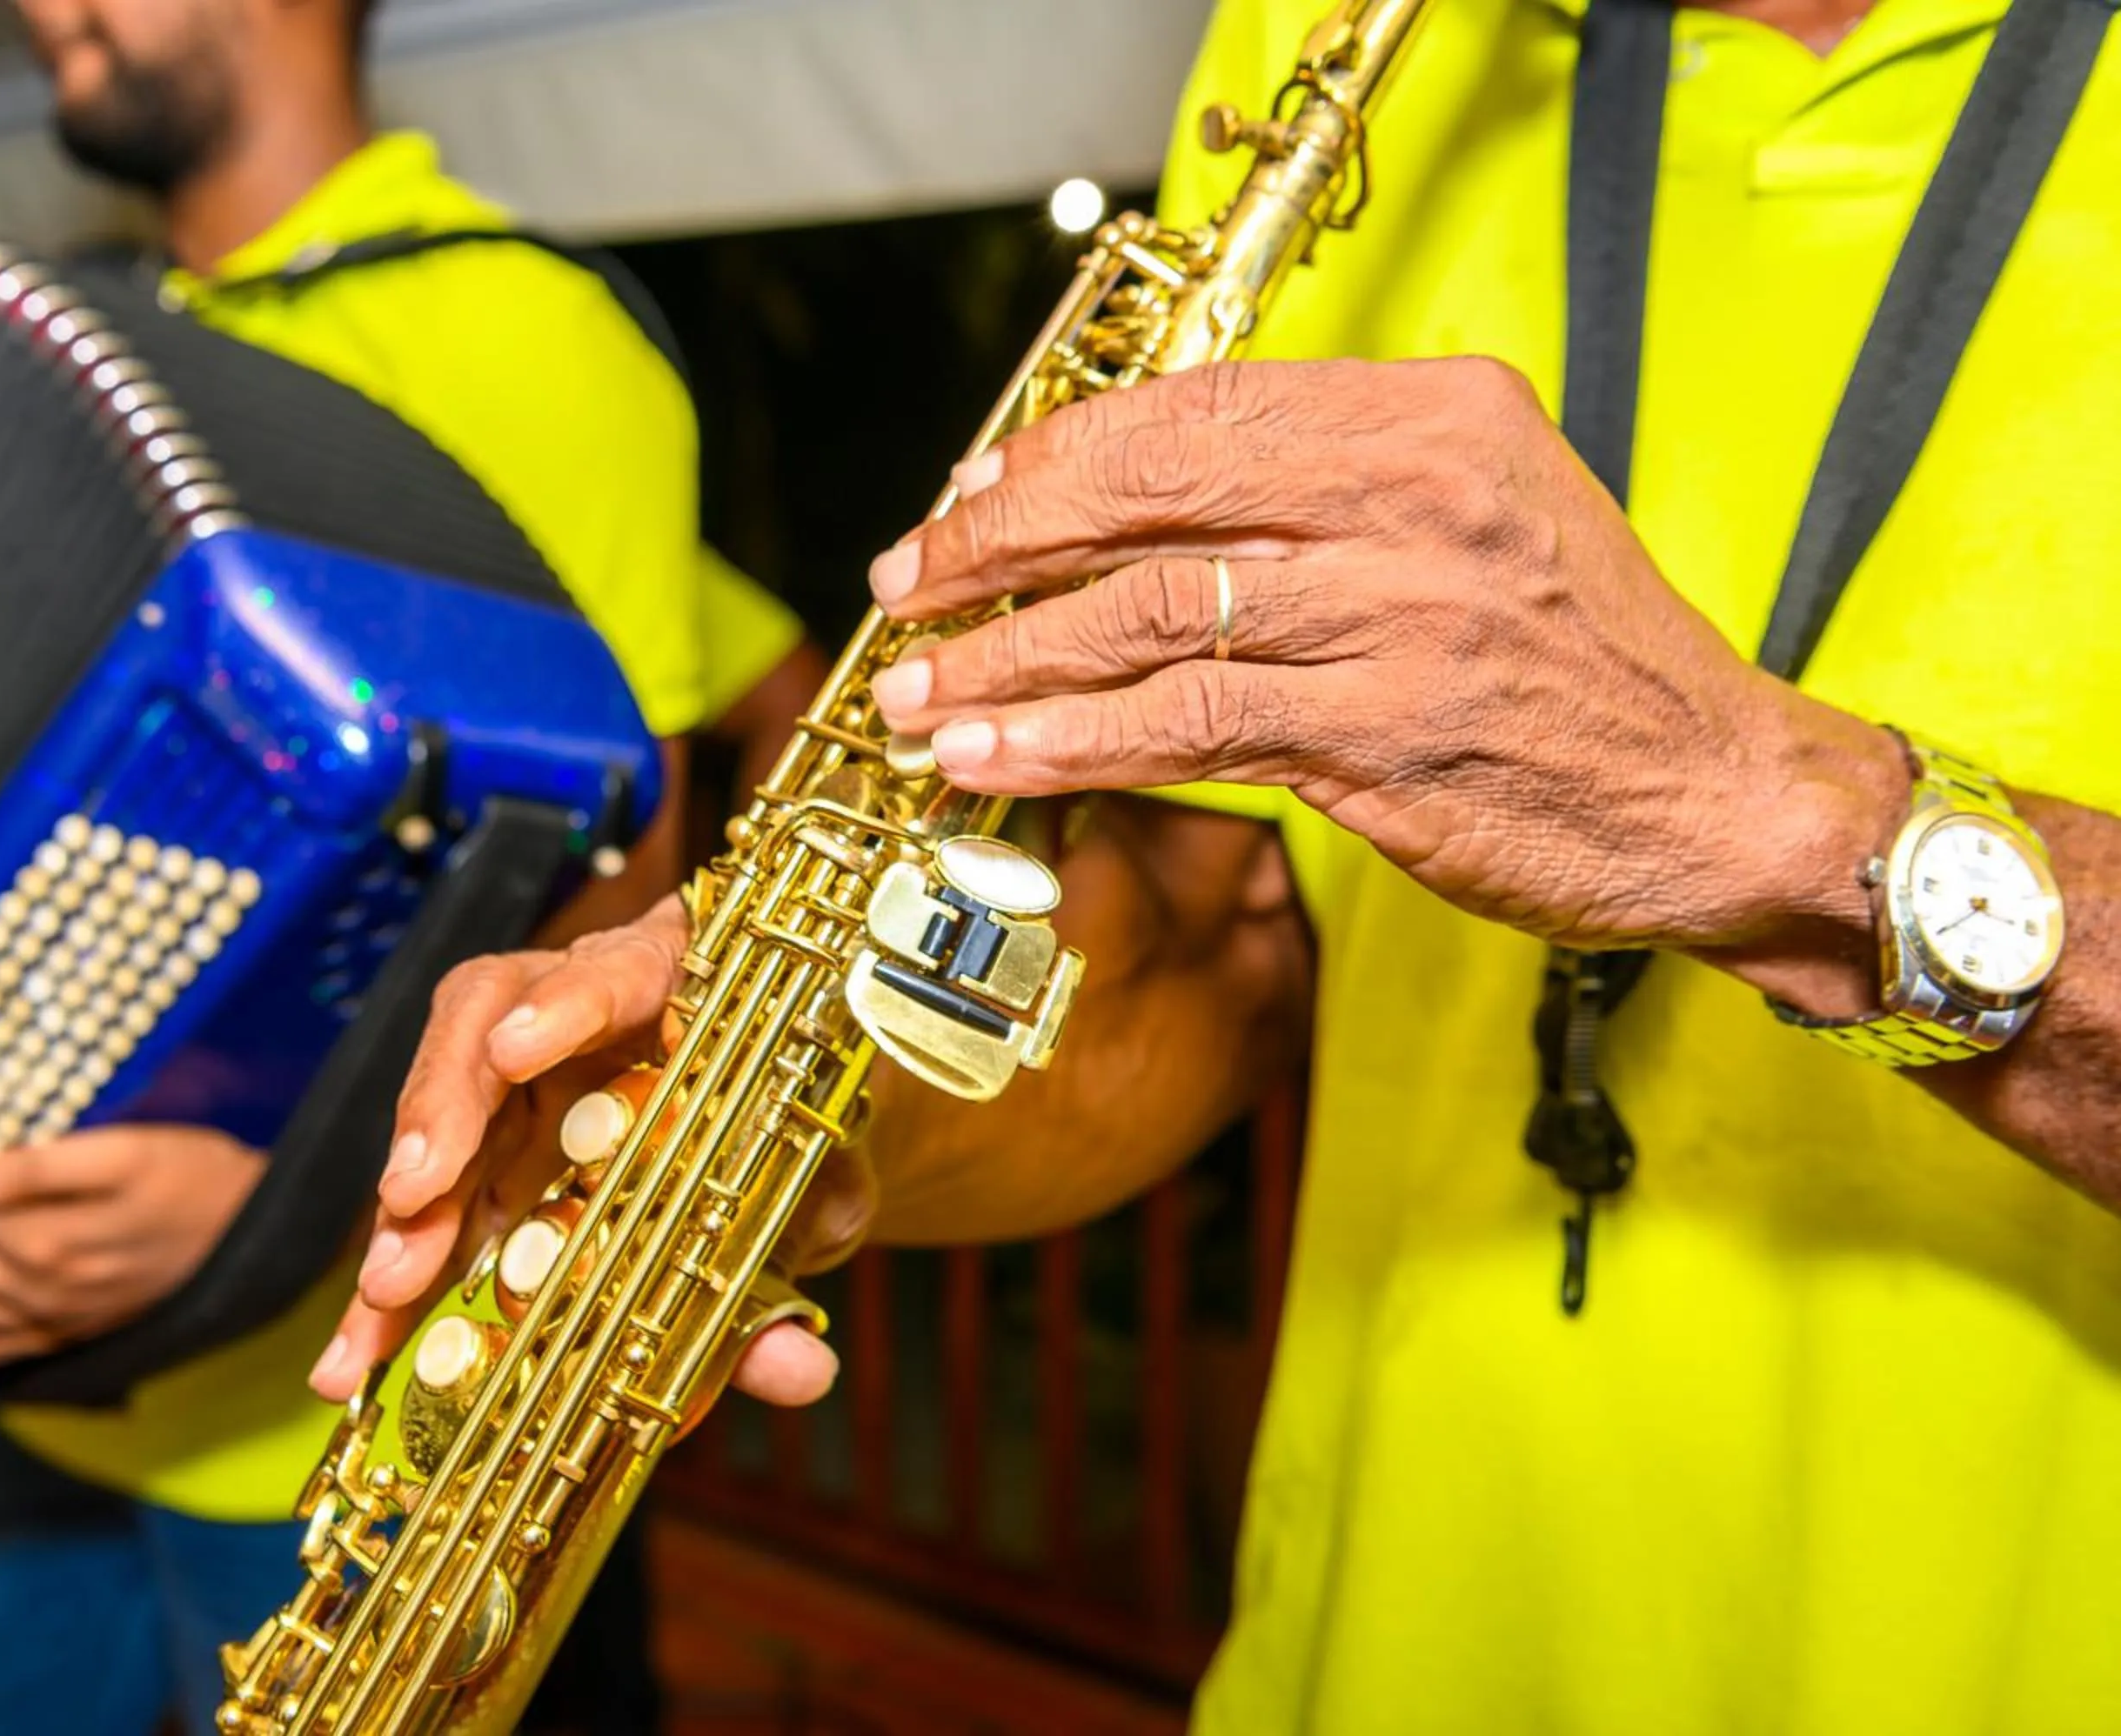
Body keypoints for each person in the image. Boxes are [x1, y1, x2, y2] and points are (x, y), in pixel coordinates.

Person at [334, 0, 2121, 1730]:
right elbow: (1221, 932)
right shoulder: (1332, 40)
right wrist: (785, 1089)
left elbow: (1709, 815)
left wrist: (1795, 830)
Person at [0, 1, 811, 1731]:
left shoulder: (525, 329)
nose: (41, 10)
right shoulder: (87, 336)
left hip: (339, 1409)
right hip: (21, 1362)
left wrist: (281, 1212)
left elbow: (609, 915)